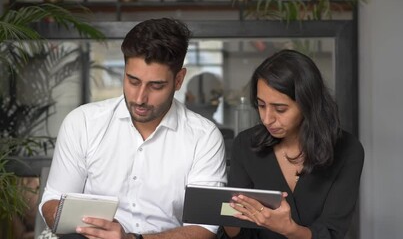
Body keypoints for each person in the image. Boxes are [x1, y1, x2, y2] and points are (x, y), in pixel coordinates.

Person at [39, 18, 227, 239]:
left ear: (178, 80)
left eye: (156, 86)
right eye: (133, 81)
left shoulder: (204, 137)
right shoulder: (83, 123)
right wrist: (89, 228)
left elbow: (204, 228)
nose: (140, 98)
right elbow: (52, 202)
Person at [218, 49, 364, 239]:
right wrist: (223, 214)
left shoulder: (347, 150)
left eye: (280, 109)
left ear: (308, 104)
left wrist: (289, 229)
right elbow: (239, 232)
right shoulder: (246, 145)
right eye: (261, 105)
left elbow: (333, 232)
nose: (267, 119)